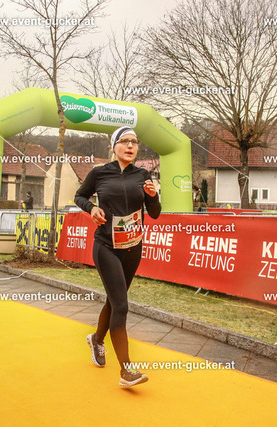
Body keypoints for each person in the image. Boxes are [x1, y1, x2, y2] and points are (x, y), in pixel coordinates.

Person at [75, 126, 161, 387]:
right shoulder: (99, 172)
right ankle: (126, 370)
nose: (130, 146)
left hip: (133, 247)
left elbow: (154, 213)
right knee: (121, 305)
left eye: (134, 142)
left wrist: (153, 196)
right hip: (106, 246)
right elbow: (79, 196)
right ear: (114, 146)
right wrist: (92, 209)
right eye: (124, 141)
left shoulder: (142, 174)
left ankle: (96, 339)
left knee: (114, 302)